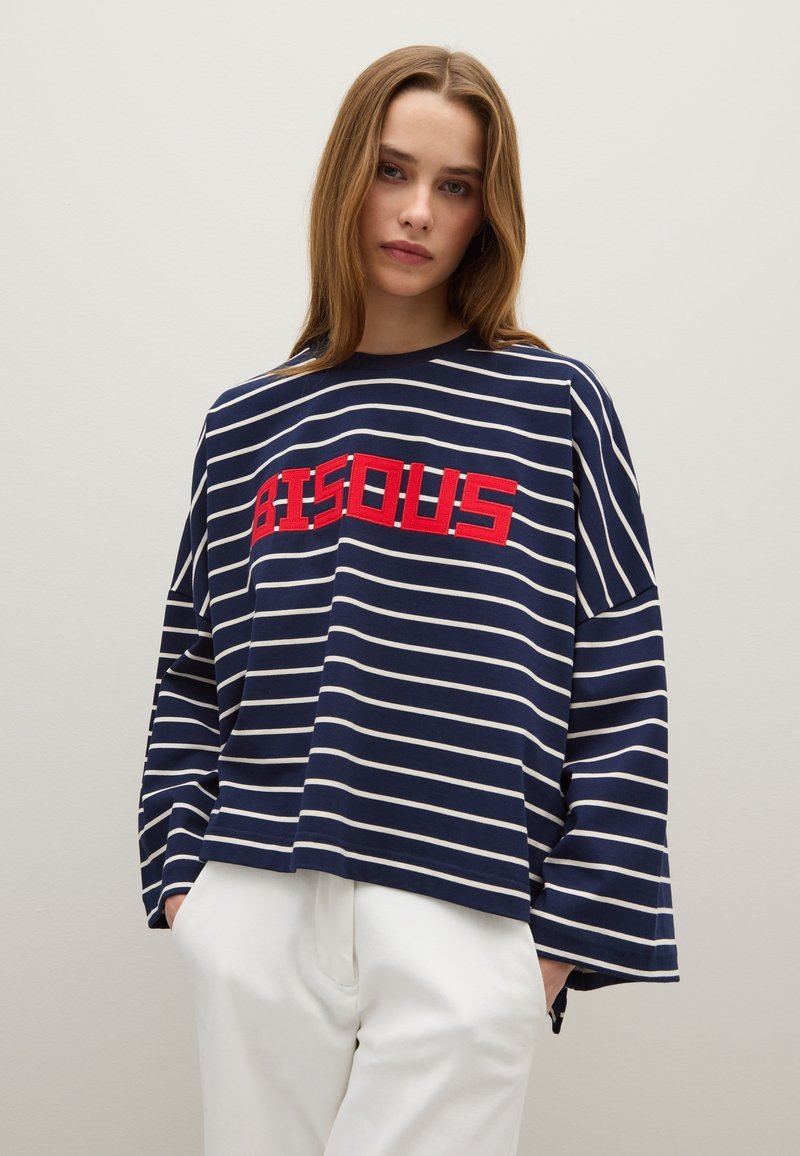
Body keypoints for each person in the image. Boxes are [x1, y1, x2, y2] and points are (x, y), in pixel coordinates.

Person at [138, 44, 678, 1156]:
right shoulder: (246, 425)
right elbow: (190, 669)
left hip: (464, 908)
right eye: (392, 170)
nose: (418, 210)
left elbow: (622, 680)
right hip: (259, 899)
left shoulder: (554, 408)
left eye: (455, 184)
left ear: (487, 211)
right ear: (347, 176)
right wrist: (187, 887)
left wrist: (549, 950)